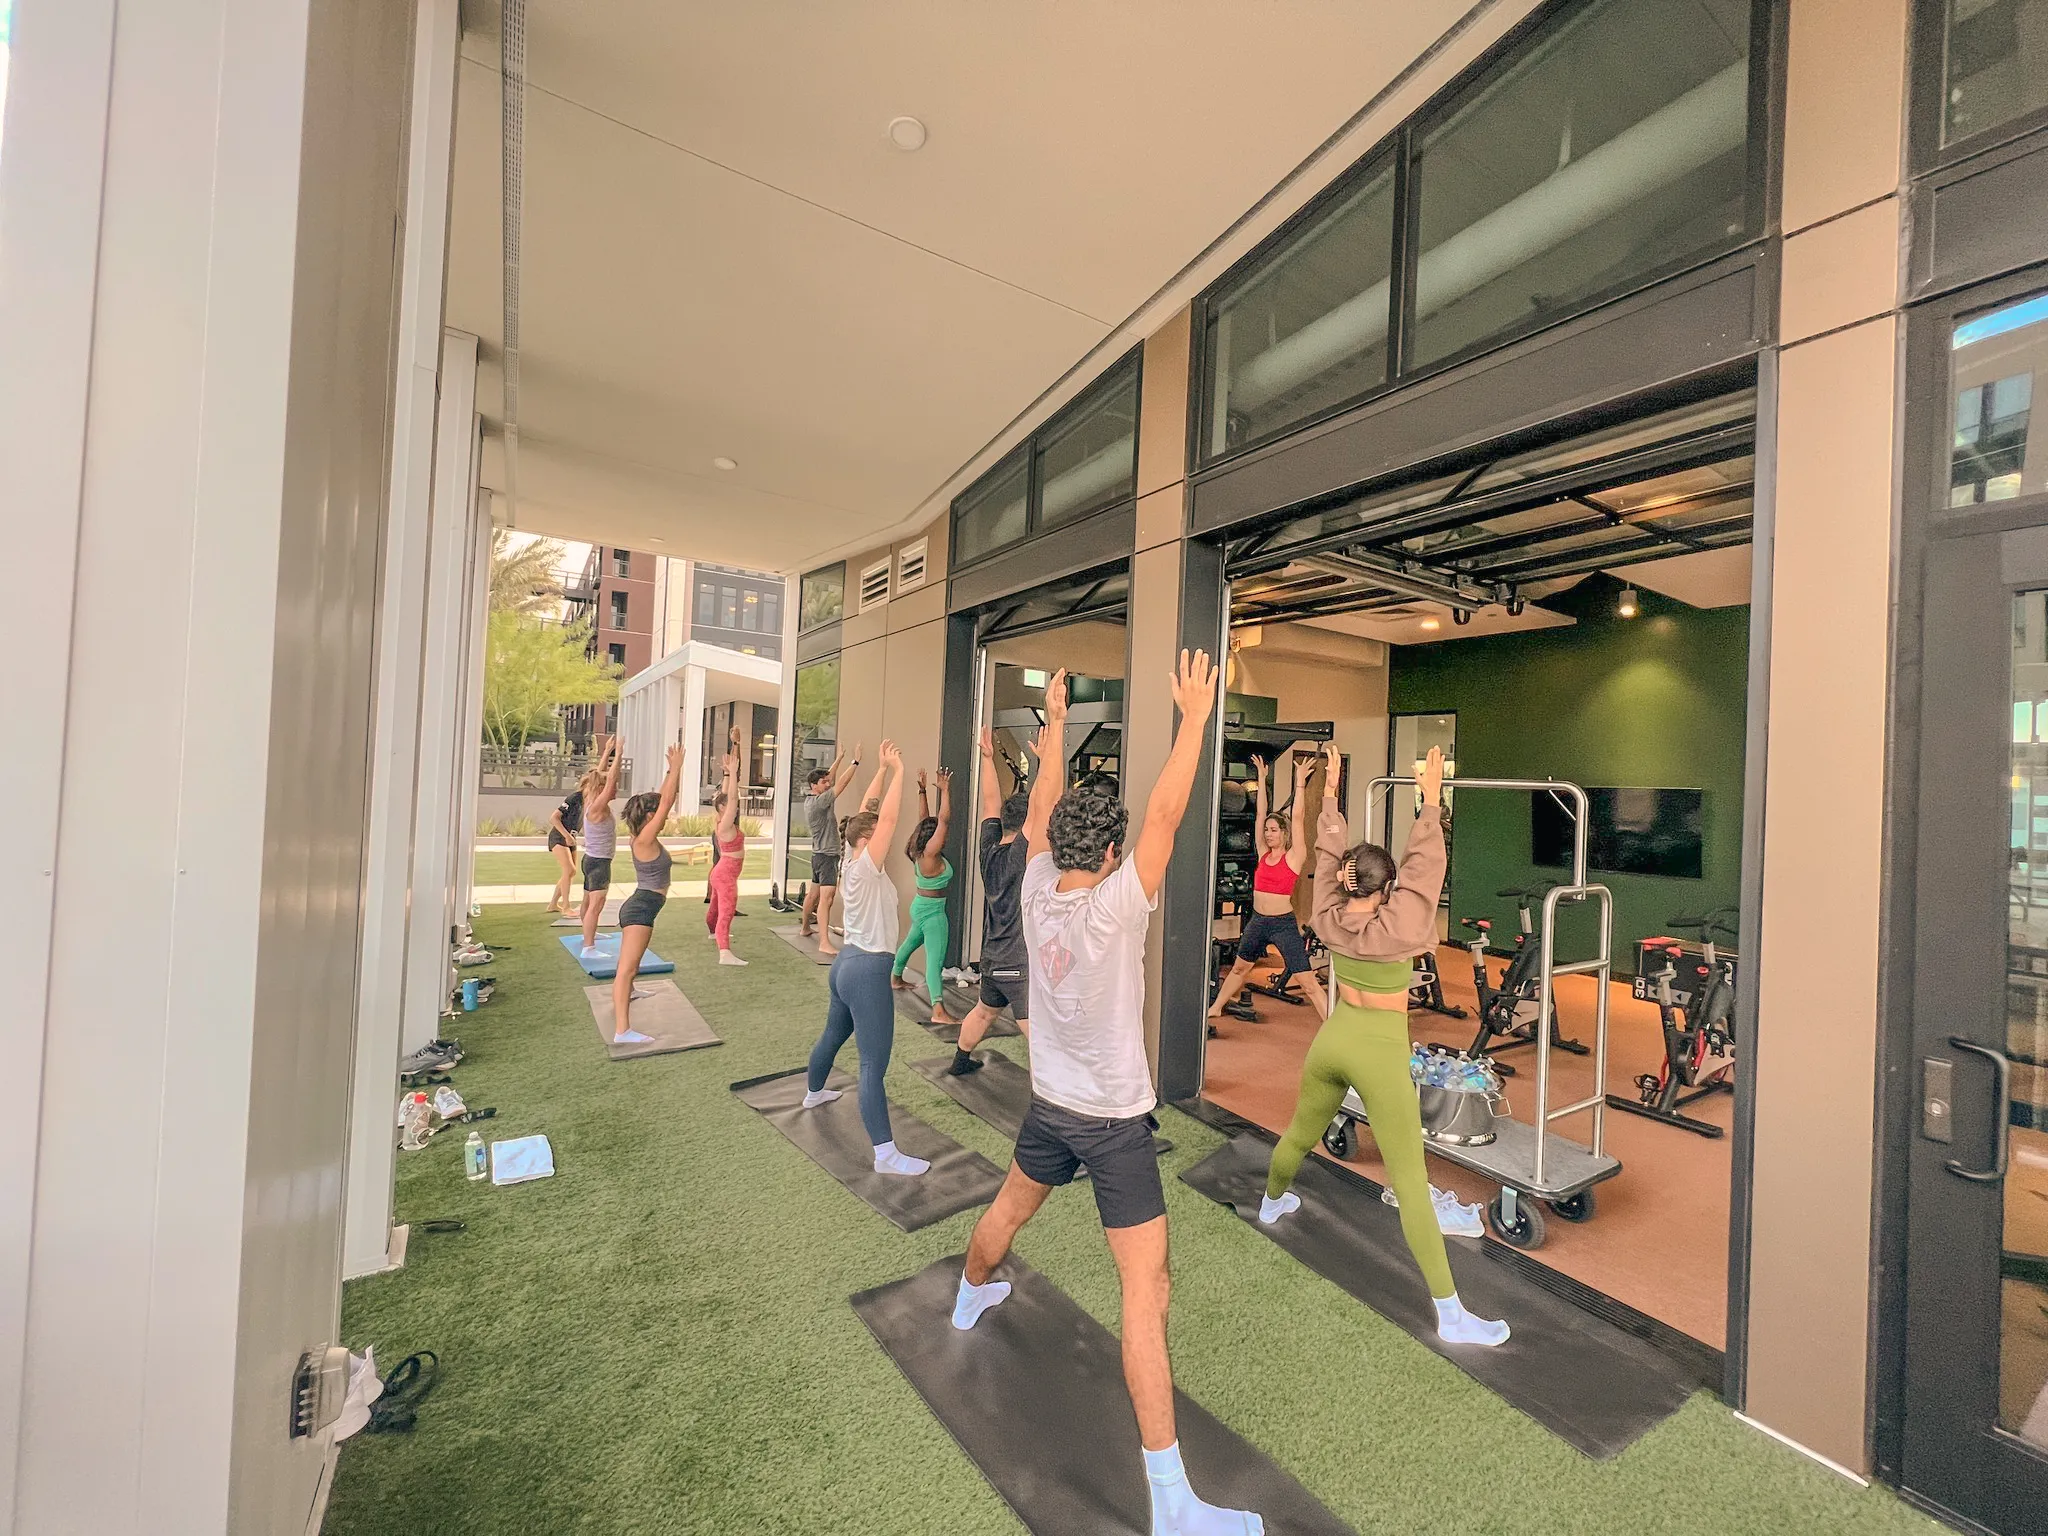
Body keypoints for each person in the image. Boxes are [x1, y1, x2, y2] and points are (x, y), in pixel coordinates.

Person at [950, 655, 1265, 1536]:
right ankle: (1172, 1505)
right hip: (1115, 1127)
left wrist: (1053, 725)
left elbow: (1043, 809)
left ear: (1061, 843)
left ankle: (970, 1293)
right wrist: (1197, 719)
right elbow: (1167, 809)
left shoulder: (1040, 884)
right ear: (1115, 848)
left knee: (1010, 1213)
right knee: (1146, 1292)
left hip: (1051, 1106)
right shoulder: (1121, 903)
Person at [1258, 742, 1507, 1348]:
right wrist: (1428, 799)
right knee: (1412, 1183)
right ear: (1388, 887)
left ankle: (1270, 1204)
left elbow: (1326, 854)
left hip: (1331, 1040)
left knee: (1300, 1130)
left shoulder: (1326, 911)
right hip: (1380, 1053)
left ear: (1344, 882)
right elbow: (1426, 866)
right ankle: (1451, 1315)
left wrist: (1333, 794)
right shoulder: (1404, 924)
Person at [800, 742, 930, 1177]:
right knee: (873, 1065)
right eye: (876, 834)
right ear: (866, 840)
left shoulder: (851, 858)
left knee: (833, 1035)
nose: (885, 837)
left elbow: (870, 810)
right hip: (868, 969)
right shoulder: (866, 864)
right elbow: (887, 818)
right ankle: (886, 1154)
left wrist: (876, 771)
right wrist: (897, 769)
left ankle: (814, 1091)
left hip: (846, 966)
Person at [1207, 752, 1328, 1025]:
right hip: (1258, 922)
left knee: (1306, 980)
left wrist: (1299, 783)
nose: (1268, 833)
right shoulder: (1262, 853)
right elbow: (1259, 814)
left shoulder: (1294, 856)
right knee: (1239, 968)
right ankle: (1217, 1006)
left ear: (1283, 834)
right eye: (1267, 830)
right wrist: (1261, 779)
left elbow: (1298, 817)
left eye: (1274, 830)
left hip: (1282, 924)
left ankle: (1330, 1023)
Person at [945, 728, 1032, 1075]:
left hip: (992, 956)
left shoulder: (988, 849)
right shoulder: (1022, 854)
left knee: (983, 1012)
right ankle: (1057, 1096)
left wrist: (986, 759)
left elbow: (989, 803)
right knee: (1035, 1029)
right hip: (1017, 959)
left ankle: (960, 1062)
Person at [609, 741, 685, 1045]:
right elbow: (665, 803)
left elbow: (665, 800)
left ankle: (631, 992)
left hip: (645, 906)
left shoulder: (641, 835)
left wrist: (671, 772)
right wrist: (677, 768)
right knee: (626, 970)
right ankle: (622, 1031)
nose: (666, 815)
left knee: (633, 965)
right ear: (650, 815)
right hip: (640, 909)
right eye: (659, 813)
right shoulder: (643, 840)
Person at [891, 767, 955, 1024]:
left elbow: (924, 820)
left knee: (909, 943)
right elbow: (943, 820)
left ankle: (895, 978)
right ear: (934, 839)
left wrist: (922, 790)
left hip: (920, 906)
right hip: (933, 912)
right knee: (934, 960)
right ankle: (938, 1010)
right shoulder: (930, 854)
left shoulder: (921, 851)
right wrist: (946, 791)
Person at [799, 744, 861, 957]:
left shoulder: (813, 799)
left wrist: (840, 757)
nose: (828, 784)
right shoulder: (820, 802)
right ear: (814, 785)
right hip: (827, 856)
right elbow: (840, 783)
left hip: (818, 855)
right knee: (826, 899)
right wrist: (854, 762)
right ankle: (824, 942)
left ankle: (806, 927)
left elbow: (831, 778)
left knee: (813, 894)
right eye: (823, 783)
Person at [705, 725, 748, 966]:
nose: (734, 806)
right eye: (730, 806)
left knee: (716, 908)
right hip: (725, 874)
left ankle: (712, 931)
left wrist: (731, 773)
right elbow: (731, 798)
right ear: (723, 810)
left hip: (720, 872)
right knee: (726, 912)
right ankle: (725, 953)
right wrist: (733, 771)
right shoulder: (725, 824)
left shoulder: (721, 818)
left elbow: (727, 795)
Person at [578, 736, 622, 959]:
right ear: (603, 788)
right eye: (612, 788)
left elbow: (599, 774)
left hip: (590, 860)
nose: (616, 790)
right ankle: (589, 948)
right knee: (596, 905)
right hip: (599, 863)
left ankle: (589, 935)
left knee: (588, 902)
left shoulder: (590, 798)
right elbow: (610, 778)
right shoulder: (597, 806)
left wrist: (607, 752)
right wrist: (619, 754)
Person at [546, 780, 583, 916]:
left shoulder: (591, 801)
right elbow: (554, 818)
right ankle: (566, 907)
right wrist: (566, 835)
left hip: (571, 838)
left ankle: (553, 904)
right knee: (569, 869)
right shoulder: (575, 798)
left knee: (571, 872)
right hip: (559, 836)